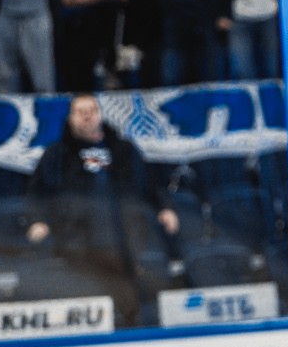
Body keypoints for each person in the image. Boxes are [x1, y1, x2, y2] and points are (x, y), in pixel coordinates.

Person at [23, 93, 179, 327]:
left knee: (131, 309)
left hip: (124, 245)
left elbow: (149, 183)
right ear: (70, 118)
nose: (87, 116)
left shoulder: (124, 150)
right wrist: (37, 221)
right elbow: (37, 193)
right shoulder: (57, 155)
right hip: (78, 246)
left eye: (91, 111)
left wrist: (164, 208)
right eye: (80, 112)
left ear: (100, 115)